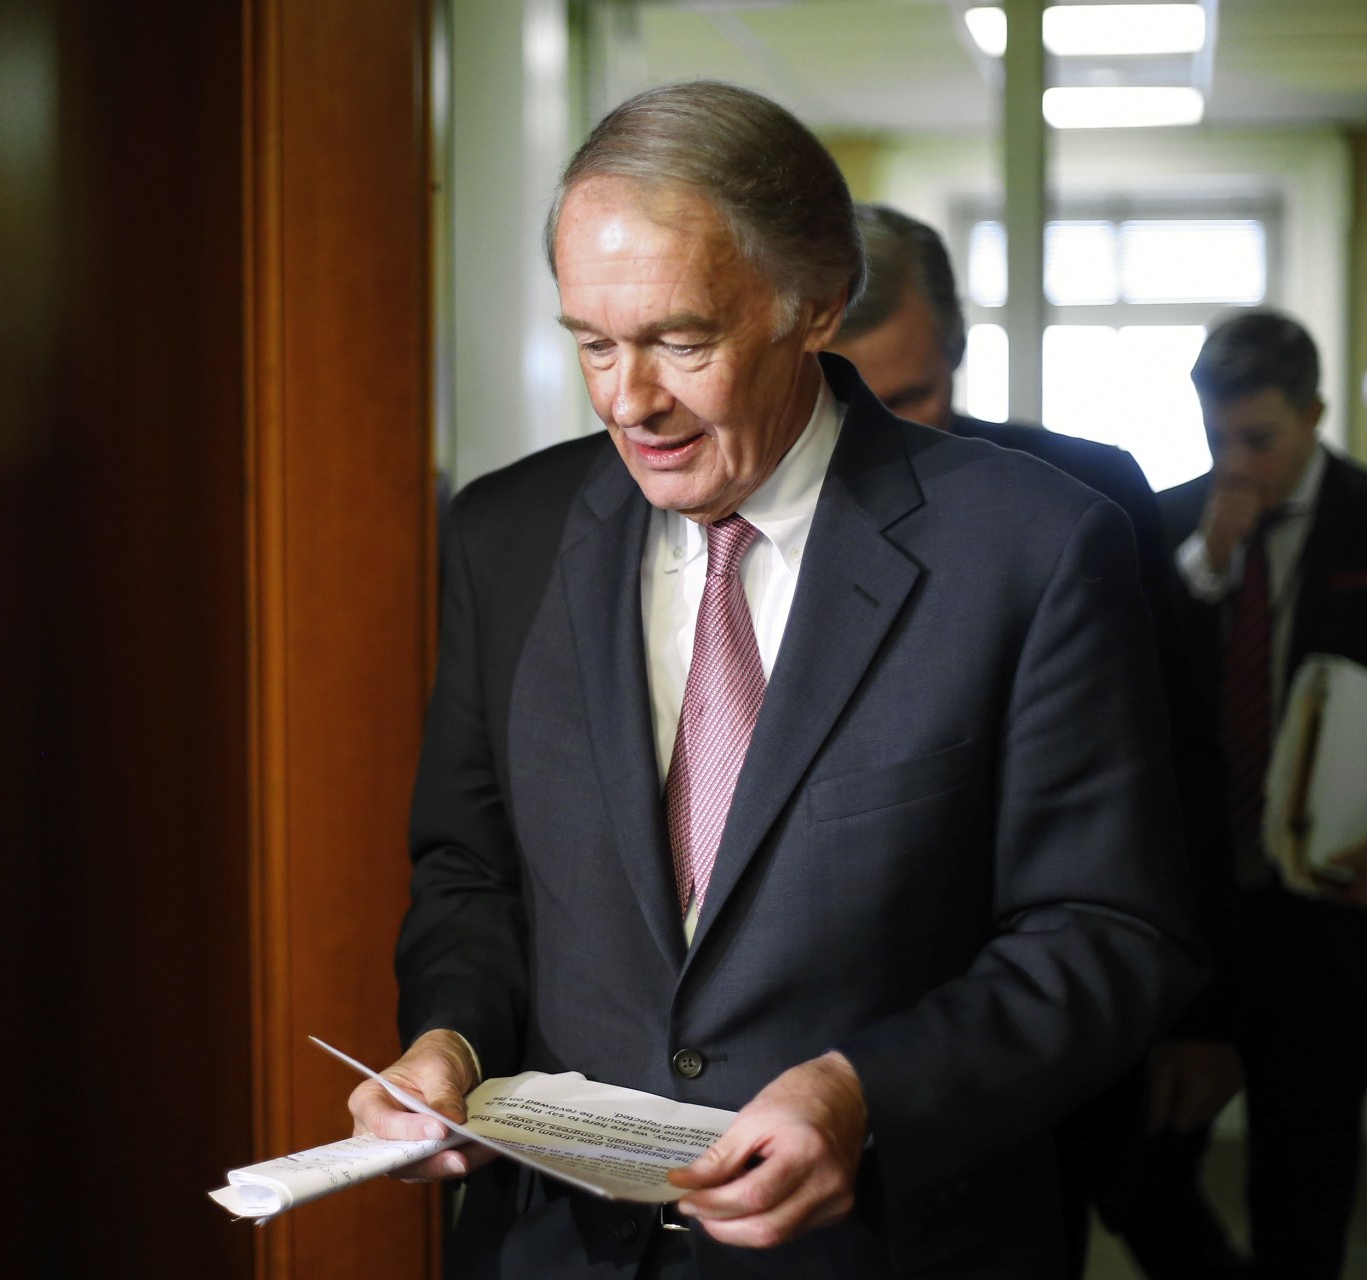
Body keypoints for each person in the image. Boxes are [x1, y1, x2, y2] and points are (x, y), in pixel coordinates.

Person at [349, 81, 1205, 1278]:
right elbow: (471, 871)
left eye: (681, 341)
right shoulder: (507, 536)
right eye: (593, 342)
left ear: (816, 304)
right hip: (557, 1248)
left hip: (882, 1244)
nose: (629, 400)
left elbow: (1106, 930)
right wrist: (449, 1036)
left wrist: (865, 1092)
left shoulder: (1032, 546)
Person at [828, 204, 1245, 1273]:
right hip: (809, 1053)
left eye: (910, 395)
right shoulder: (734, 518)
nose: (877, 437)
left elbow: (1184, 766)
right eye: (842, 396)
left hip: (1037, 1045)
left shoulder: (1081, 497)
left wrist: (1207, 1012)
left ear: (959, 353)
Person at [1111, 311, 1367, 1279]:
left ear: (1316, 413)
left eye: (1260, 439)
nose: (1237, 462)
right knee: (1140, 1169)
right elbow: (1136, 703)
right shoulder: (1165, 523)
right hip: (1193, 899)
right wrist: (1208, 567)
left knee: (1305, 1188)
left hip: (1324, 908)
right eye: (1216, 436)